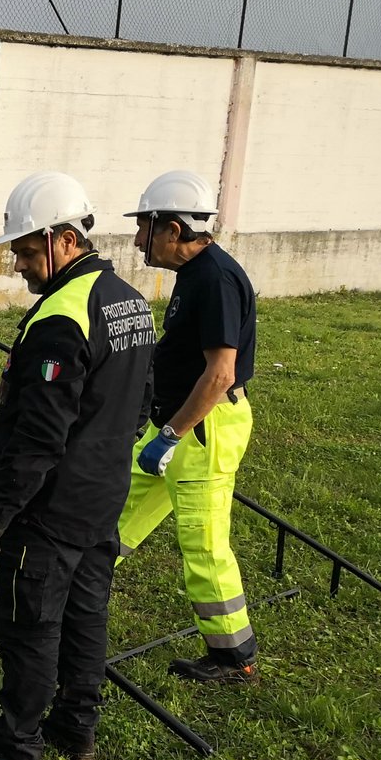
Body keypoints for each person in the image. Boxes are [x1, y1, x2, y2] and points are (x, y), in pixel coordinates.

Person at [0, 172, 156, 760]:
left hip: (49, 509)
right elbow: (143, 398)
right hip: (102, 498)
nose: (18, 264)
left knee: (30, 624)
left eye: (27, 250)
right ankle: (76, 726)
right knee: (87, 617)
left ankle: (16, 746)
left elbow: (39, 436)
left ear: (65, 240)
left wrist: (0, 514)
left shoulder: (62, 316)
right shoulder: (128, 301)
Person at [117, 170, 260, 683]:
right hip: (179, 427)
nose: (138, 241)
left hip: (202, 430)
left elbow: (220, 373)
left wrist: (173, 435)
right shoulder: (197, 276)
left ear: (174, 230)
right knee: (121, 499)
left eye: (146, 228)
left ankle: (233, 657)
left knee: (203, 543)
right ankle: (77, 585)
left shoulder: (215, 280)